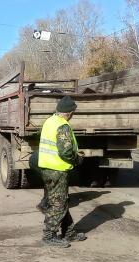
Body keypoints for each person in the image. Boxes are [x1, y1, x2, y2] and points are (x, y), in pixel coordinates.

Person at [37, 96, 86, 248]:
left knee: (61, 201)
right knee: (58, 204)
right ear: (69, 113)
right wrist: (77, 158)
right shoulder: (62, 125)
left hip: (47, 168)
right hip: (57, 170)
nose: (73, 115)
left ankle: (69, 232)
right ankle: (49, 235)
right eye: (73, 113)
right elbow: (65, 151)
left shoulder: (49, 121)